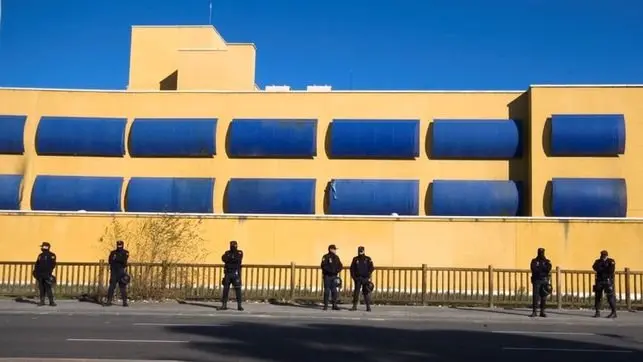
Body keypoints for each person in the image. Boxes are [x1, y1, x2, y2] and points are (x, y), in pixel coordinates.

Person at [592, 250, 617, 318]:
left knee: (610, 297)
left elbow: (611, 270)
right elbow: (595, 267)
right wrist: (604, 268)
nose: (603, 256)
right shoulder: (598, 261)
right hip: (599, 281)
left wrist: (602, 269)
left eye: (605, 255)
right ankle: (597, 312)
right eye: (602, 255)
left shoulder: (611, 261)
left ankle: (614, 312)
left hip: (608, 281)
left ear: (607, 255)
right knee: (598, 297)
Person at [105, 240, 129, 307]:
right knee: (112, 287)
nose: (119, 247)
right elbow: (110, 261)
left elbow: (124, 261)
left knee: (122, 287)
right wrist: (116, 259)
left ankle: (125, 302)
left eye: (120, 245)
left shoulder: (125, 252)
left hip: (121, 272)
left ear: (122, 245)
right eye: (118, 245)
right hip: (114, 271)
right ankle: (109, 301)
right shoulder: (113, 252)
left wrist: (116, 259)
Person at [350, 246, 375, 312]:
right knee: (356, 292)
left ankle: (368, 307)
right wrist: (354, 277)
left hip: (365, 278)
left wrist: (368, 275)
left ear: (364, 251)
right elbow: (352, 268)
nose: (360, 252)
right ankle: (354, 306)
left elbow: (371, 267)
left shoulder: (367, 259)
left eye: (361, 251)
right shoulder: (355, 259)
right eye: (359, 251)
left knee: (366, 292)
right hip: (358, 278)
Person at [221, 240, 244, 311]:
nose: (233, 247)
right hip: (228, 273)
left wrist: (230, 259)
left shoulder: (239, 252)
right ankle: (224, 305)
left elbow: (237, 259)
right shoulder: (227, 252)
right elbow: (223, 258)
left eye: (234, 245)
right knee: (225, 289)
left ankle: (239, 306)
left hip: (235, 273)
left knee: (238, 290)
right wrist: (231, 258)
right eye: (232, 245)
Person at [33, 242, 57, 307]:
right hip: (40, 275)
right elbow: (37, 264)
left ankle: (51, 302)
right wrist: (35, 272)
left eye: (42, 247)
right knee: (41, 288)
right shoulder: (40, 255)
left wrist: (48, 272)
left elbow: (52, 265)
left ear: (45, 247)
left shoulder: (52, 255)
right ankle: (42, 301)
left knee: (48, 288)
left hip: (46, 274)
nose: (41, 248)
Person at [530, 248, 552, 318]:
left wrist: (541, 269)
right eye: (540, 252)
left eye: (542, 252)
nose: (541, 254)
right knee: (535, 296)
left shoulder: (547, 261)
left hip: (544, 280)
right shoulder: (534, 261)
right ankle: (534, 311)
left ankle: (542, 311)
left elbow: (548, 269)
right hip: (536, 280)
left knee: (544, 297)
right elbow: (534, 269)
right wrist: (542, 269)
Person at [321, 244, 343, 311]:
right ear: (330, 249)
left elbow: (340, 265)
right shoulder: (325, 256)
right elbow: (323, 266)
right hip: (327, 276)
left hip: (334, 276)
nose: (335, 250)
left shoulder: (336, 257)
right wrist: (330, 271)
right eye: (334, 249)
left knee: (334, 291)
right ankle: (326, 305)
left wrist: (336, 271)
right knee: (327, 291)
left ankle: (334, 305)